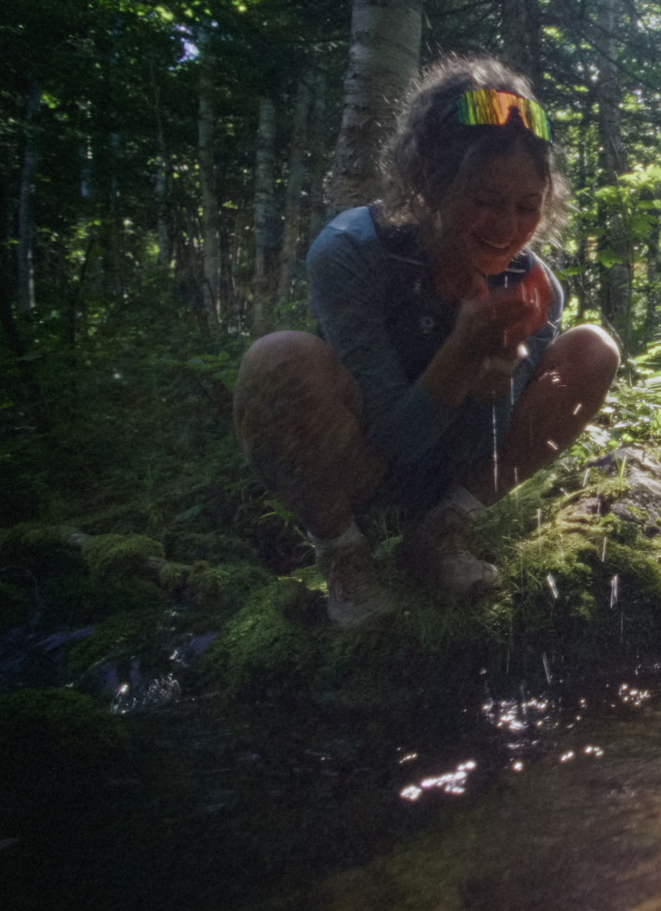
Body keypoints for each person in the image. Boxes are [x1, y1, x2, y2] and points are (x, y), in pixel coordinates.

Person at [233, 57, 620, 626]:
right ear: (430, 184)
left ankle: (442, 533)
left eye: (526, 206)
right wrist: (460, 357)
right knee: (277, 359)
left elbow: (480, 452)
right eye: (484, 200)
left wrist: (493, 389)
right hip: (359, 462)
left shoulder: (531, 287)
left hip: (454, 475)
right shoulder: (351, 251)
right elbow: (392, 440)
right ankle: (344, 555)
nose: (506, 226)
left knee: (595, 349)